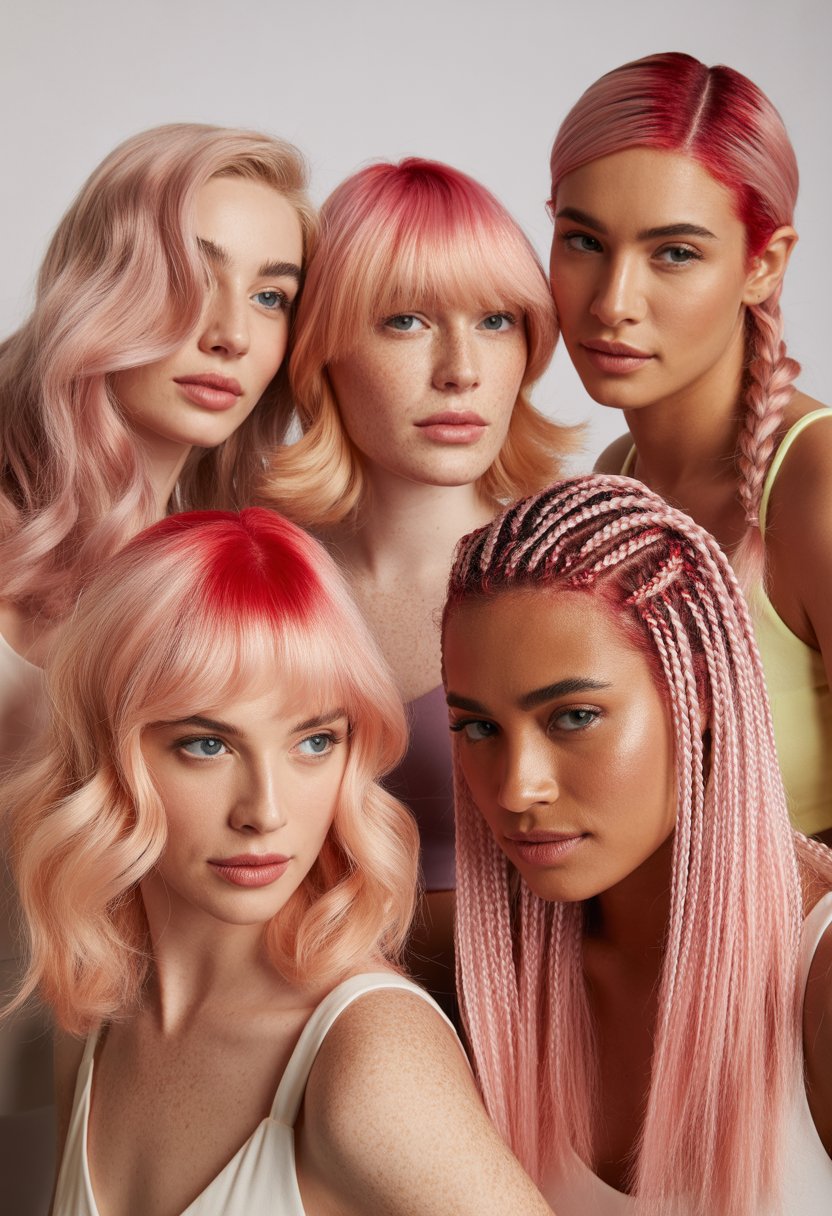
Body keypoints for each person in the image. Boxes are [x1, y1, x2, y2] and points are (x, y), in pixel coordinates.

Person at [3, 507, 556, 1215]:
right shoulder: (97, 1021)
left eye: (314, 741)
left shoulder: (367, 1060)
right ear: (107, 751)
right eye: (208, 744)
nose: (265, 811)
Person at [0, 122, 315, 1208]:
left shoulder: (245, 573)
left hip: (113, 1113)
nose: (231, 333)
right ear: (103, 283)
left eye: (272, 296)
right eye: (190, 279)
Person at [442, 474, 832, 1216]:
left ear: (703, 697)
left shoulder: (820, 982)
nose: (517, 788)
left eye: (573, 717)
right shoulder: (489, 968)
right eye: (479, 728)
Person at [261, 157, 578, 1014]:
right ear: (321, 347)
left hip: (542, 1043)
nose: (460, 369)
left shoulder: (581, 574)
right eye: (405, 320)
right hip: (296, 1045)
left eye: (497, 321)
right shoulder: (251, 571)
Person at [546, 51, 832, 843]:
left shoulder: (816, 483)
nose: (612, 303)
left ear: (762, 264)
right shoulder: (615, 479)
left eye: (674, 252)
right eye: (583, 241)